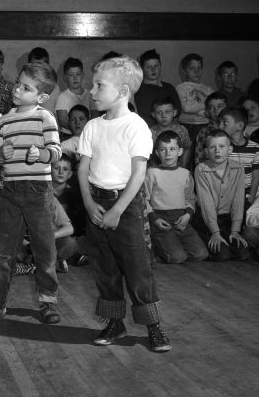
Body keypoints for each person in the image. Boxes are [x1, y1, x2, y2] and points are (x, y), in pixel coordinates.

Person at [77, 55, 171, 352]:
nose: (91, 91)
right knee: (105, 268)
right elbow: (82, 169)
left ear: (122, 91)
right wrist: (90, 204)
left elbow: (139, 173)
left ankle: (153, 327)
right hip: (97, 201)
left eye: (98, 85)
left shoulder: (136, 126)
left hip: (127, 205)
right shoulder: (92, 126)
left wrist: (118, 209)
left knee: (137, 267)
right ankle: (114, 323)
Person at [0, 62, 62, 325]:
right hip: (9, 192)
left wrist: (42, 154)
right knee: (1, 253)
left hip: (38, 192)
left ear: (41, 97)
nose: (17, 89)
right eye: (18, 83)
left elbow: (56, 151)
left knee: (45, 250)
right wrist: (0, 155)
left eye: (26, 88)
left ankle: (48, 302)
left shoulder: (45, 117)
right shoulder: (3, 120)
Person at [144, 131, 207, 264]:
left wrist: (188, 216)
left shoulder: (185, 174)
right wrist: (154, 219)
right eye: (163, 149)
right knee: (177, 258)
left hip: (181, 221)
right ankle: (158, 248)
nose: (168, 153)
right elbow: (144, 199)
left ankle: (172, 246)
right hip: (161, 221)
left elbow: (190, 199)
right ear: (156, 152)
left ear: (180, 151)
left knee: (201, 254)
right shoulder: (152, 173)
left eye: (172, 149)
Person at [194, 129, 250, 262]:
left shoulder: (238, 168)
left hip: (228, 220)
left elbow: (238, 200)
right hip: (207, 221)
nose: (217, 151)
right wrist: (215, 232)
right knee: (222, 255)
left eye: (221, 147)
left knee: (243, 254)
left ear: (230, 150)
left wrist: (235, 230)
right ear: (206, 152)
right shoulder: (201, 169)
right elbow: (206, 203)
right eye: (212, 147)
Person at [219, 106, 259, 206]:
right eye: (220, 122)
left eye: (224, 122)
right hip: (224, 193)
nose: (220, 126)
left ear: (240, 126)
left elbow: (255, 177)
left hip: (245, 194)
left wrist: (251, 197)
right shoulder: (220, 147)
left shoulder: (256, 149)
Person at [175, 53, 213, 158]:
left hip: (205, 126)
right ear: (184, 71)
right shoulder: (181, 88)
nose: (196, 72)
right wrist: (203, 110)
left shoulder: (208, 89)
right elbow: (186, 107)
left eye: (199, 68)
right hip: (187, 126)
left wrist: (198, 110)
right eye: (192, 68)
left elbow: (212, 109)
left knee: (203, 157)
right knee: (187, 158)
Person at [134, 48, 181, 125]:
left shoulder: (169, 88)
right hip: (146, 130)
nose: (153, 69)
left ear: (160, 66)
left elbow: (177, 112)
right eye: (149, 67)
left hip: (167, 130)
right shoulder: (137, 89)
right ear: (142, 69)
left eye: (156, 66)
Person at [149, 97, 192, 168]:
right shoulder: (150, 132)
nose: (163, 116)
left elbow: (187, 148)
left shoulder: (181, 130)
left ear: (174, 113)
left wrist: (183, 166)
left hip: (178, 168)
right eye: (159, 112)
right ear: (153, 114)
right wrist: (155, 169)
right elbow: (149, 154)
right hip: (158, 170)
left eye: (167, 112)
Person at [55, 57, 93, 135]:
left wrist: (85, 130)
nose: (75, 78)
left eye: (78, 74)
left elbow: (94, 116)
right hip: (68, 135)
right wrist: (77, 130)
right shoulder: (62, 97)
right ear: (65, 78)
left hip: (87, 134)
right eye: (71, 75)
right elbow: (62, 121)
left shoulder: (90, 95)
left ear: (83, 75)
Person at [28, 47, 60, 116]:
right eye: (36, 66)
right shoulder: (24, 88)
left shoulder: (55, 88)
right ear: (29, 66)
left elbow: (57, 115)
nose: (40, 69)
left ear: (48, 66)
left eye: (43, 65)